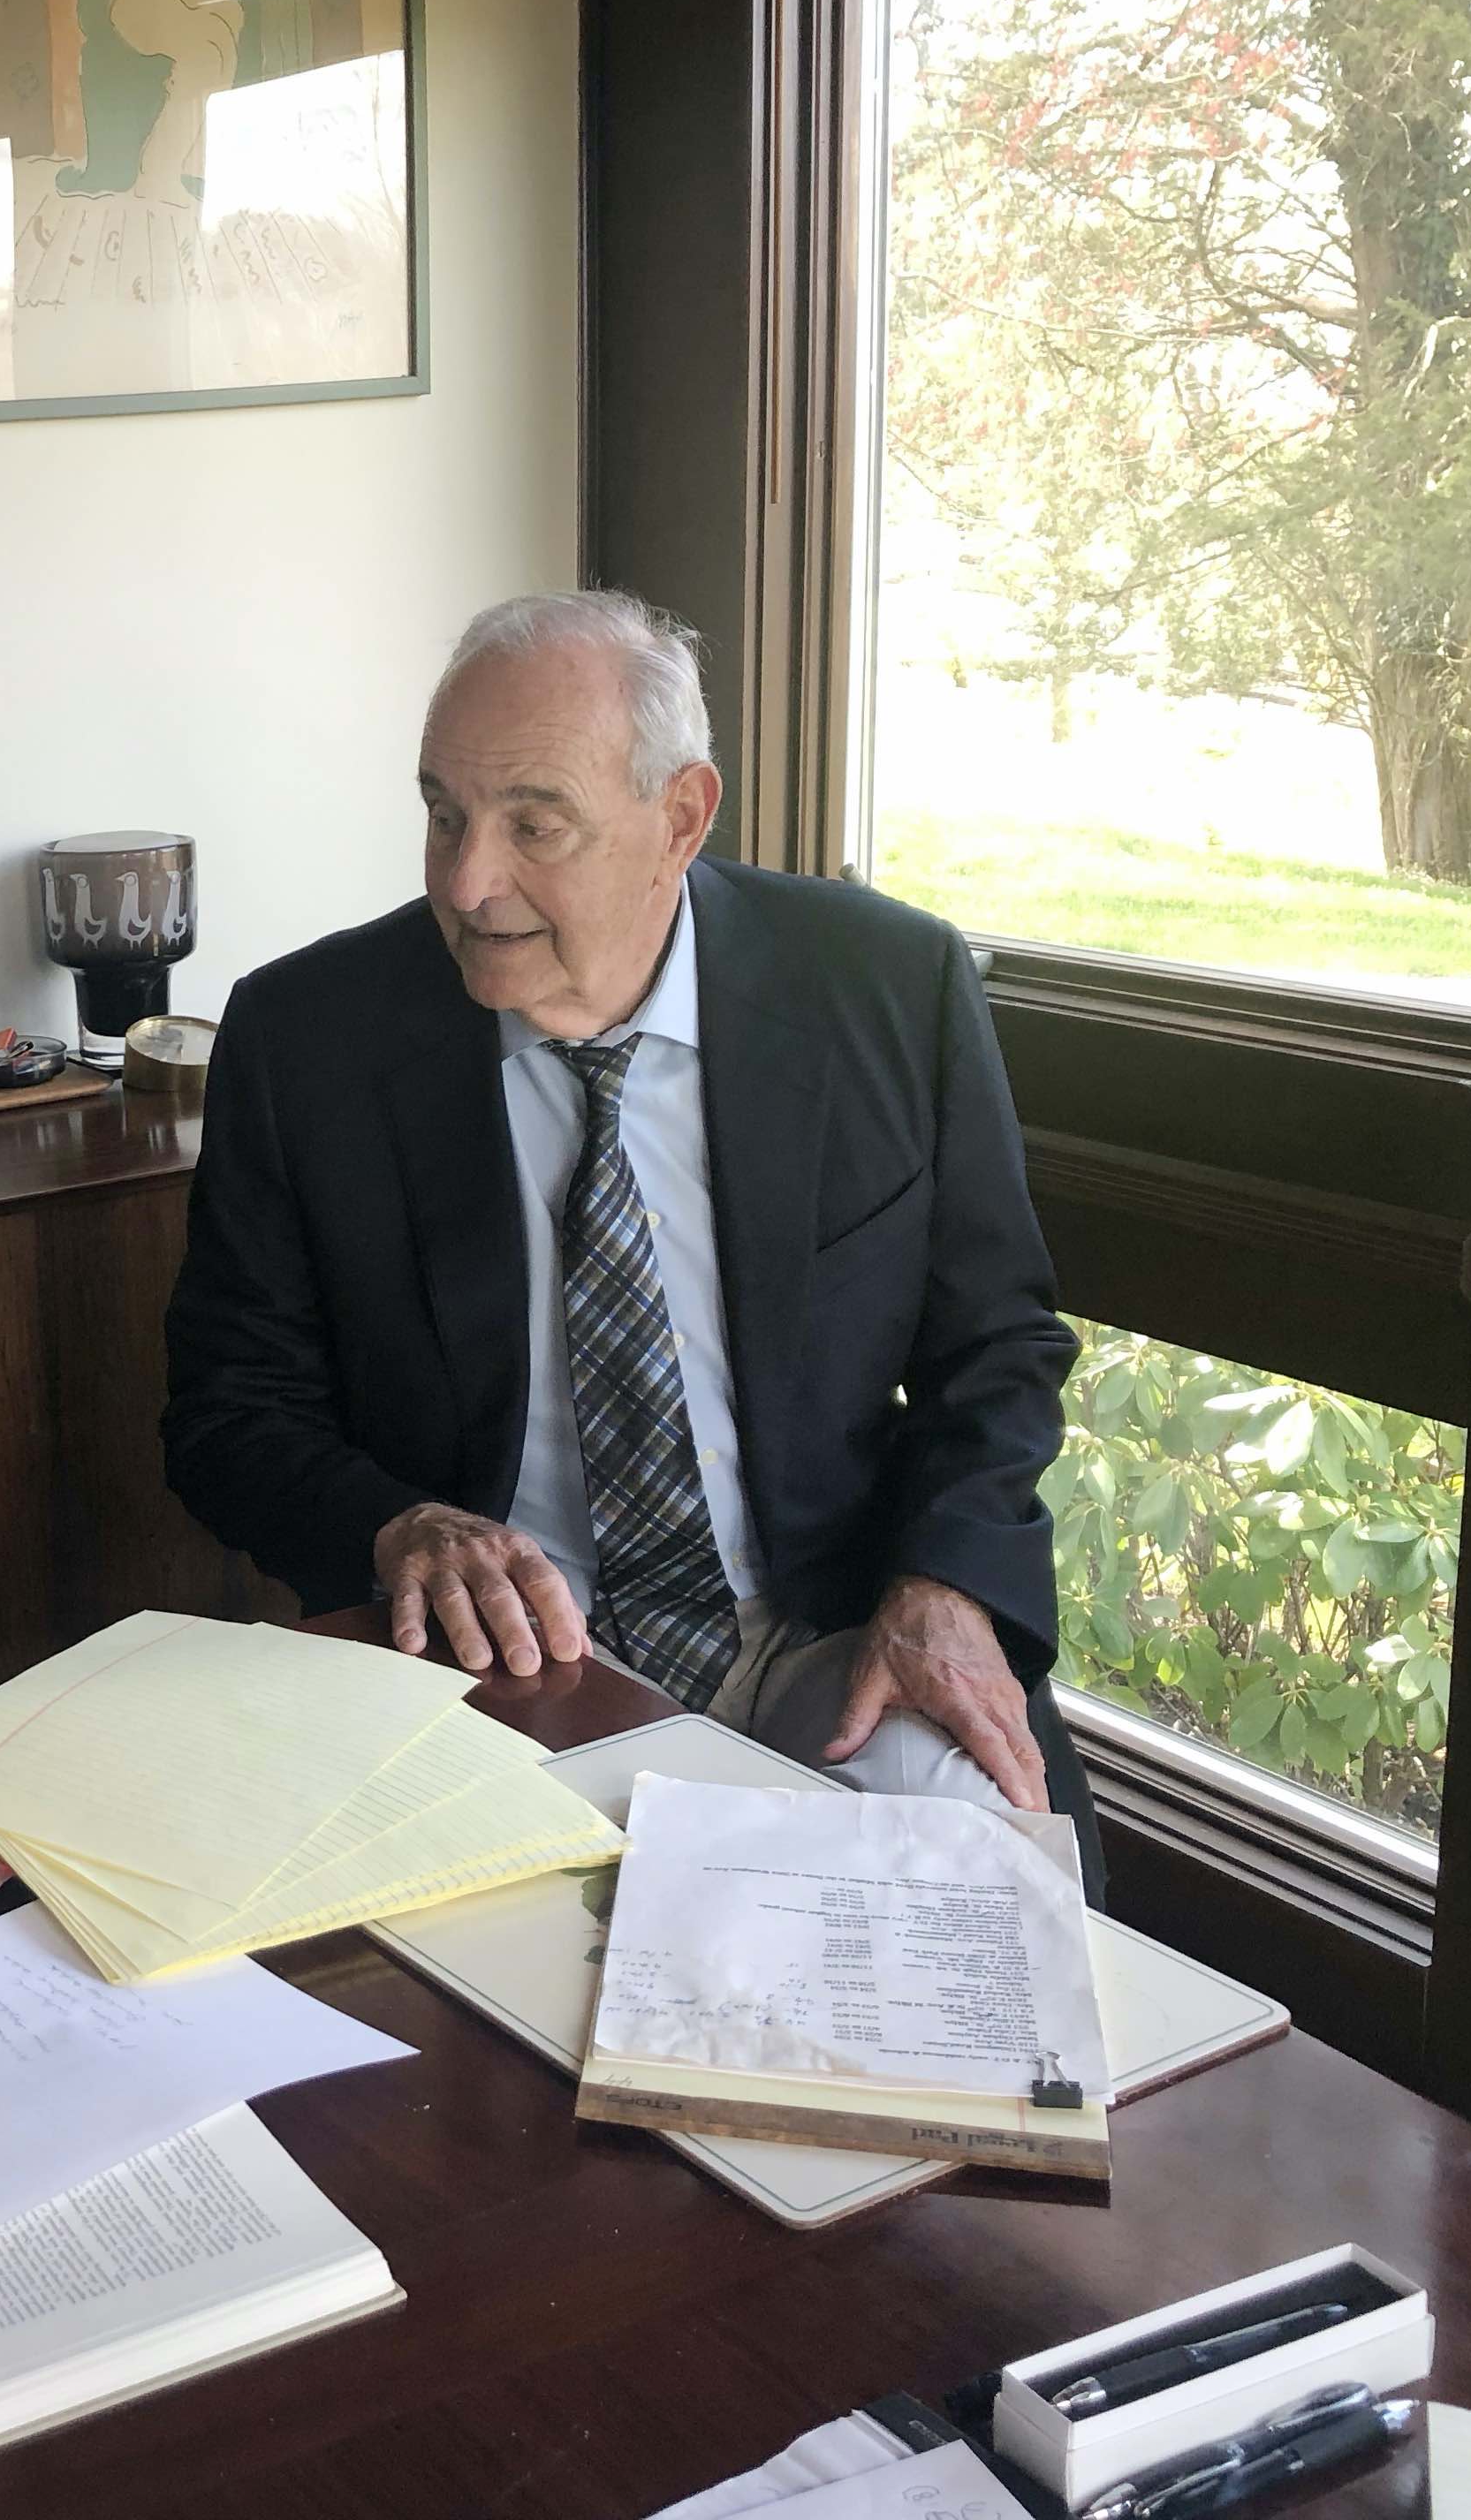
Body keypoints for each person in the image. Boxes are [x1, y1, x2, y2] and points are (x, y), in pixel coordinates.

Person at [163, 589, 1096, 1863]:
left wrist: (947, 1584)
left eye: (534, 824)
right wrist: (401, 1528)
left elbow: (996, 1347)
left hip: (834, 1638)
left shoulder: (885, 988)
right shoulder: (308, 1038)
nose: (468, 881)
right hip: (509, 1667)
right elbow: (228, 1412)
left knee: (982, 1898)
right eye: (444, 815)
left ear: (681, 819)